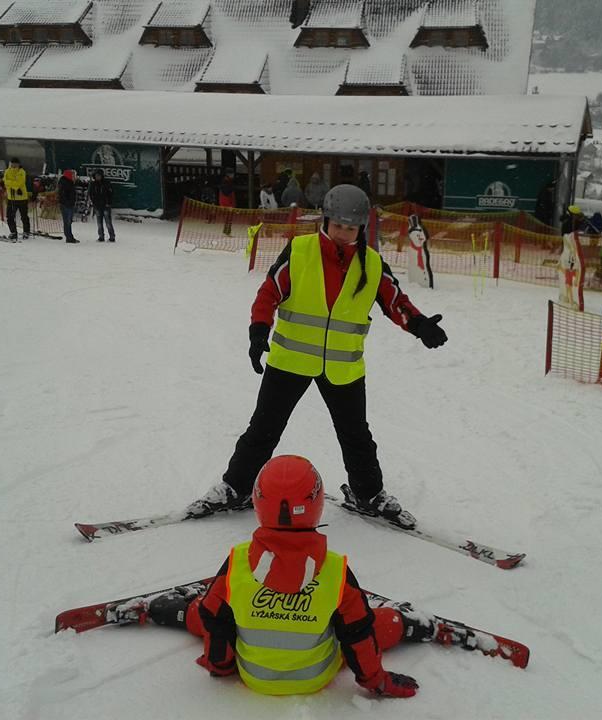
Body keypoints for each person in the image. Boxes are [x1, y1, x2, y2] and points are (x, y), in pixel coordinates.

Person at [185, 184, 448, 529]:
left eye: (351, 228)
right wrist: (258, 331)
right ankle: (236, 487)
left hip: (343, 367)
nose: (343, 234)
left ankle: (368, 494)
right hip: (290, 361)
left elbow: (395, 301)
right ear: (326, 221)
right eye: (338, 226)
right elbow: (269, 292)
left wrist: (419, 325)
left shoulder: (371, 264)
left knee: (356, 436)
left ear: (361, 229)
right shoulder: (300, 250)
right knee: (263, 429)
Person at [153, 455, 423, 698]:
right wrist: (378, 681)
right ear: (316, 505)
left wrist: (220, 666)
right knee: (372, 622)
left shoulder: (239, 562)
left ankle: (164, 611)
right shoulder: (334, 570)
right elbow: (358, 635)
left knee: (209, 609)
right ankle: (416, 624)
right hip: (316, 677)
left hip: (254, 677)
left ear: (259, 503)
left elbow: (214, 620)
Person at [3, 157, 31, 240]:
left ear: (18, 164)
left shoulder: (22, 172)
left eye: (15, 163)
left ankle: (26, 232)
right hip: (11, 198)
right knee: (10, 217)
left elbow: (19, 183)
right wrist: (12, 183)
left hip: (22, 198)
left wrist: (10, 183)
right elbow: (5, 181)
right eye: (12, 163)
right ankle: (13, 232)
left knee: (24, 216)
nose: (14, 165)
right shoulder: (7, 171)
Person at [88, 169, 115, 242]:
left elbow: (111, 194)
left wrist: (108, 203)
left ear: (102, 176)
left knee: (108, 222)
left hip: (106, 206)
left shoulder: (107, 183)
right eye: (96, 176)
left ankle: (112, 236)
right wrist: (94, 202)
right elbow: (90, 194)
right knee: (99, 223)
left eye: (99, 175)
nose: (97, 177)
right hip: (97, 206)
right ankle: (101, 236)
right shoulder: (93, 184)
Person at [58, 169, 78, 243]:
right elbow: (63, 195)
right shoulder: (66, 183)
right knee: (67, 222)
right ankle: (69, 237)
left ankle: (69, 236)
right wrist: (68, 202)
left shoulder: (66, 182)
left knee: (68, 222)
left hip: (68, 204)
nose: (74, 177)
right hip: (67, 205)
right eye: (73, 175)